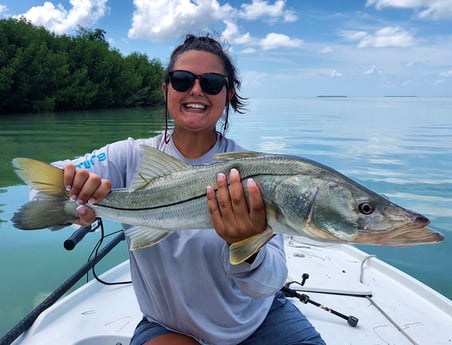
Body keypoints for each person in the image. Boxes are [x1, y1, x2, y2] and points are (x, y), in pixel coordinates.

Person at [56, 34, 326, 345]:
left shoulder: (255, 172)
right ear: (166, 89)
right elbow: (44, 189)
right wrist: (74, 200)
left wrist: (246, 247)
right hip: (170, 327)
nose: (196, 89)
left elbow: (270, 283)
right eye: (182, 80)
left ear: (228, 94)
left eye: (211, 82)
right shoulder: (129, 157)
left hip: (261, 321)